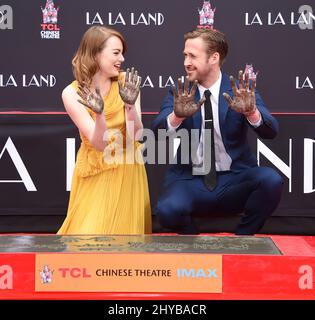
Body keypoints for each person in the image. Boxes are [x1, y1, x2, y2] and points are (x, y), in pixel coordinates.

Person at [151, 28, 283, 235]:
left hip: (235, 179)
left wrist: (252, 112)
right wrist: (177, 116)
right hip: (190, 179)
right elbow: (157, 131)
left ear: (214, 58)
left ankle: (242, 240)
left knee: (271, 180)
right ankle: (192, 240)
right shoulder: (181, 92)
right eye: (185, 55)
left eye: (192, 56)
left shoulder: (241, 91)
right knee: (168, 211)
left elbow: (271, 131)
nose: (186, 62)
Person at [57, 26, 151, 235]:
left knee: (125, 243)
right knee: (86, 238)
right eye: (116, 53)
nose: (122, 59)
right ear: (95, 54)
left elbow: (137, 135)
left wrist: (129, 106)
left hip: (127, 166)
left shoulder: (127, 82)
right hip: (95, 169)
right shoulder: (71, 93)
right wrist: (99, 115)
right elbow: (99, 144)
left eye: (122, 53)